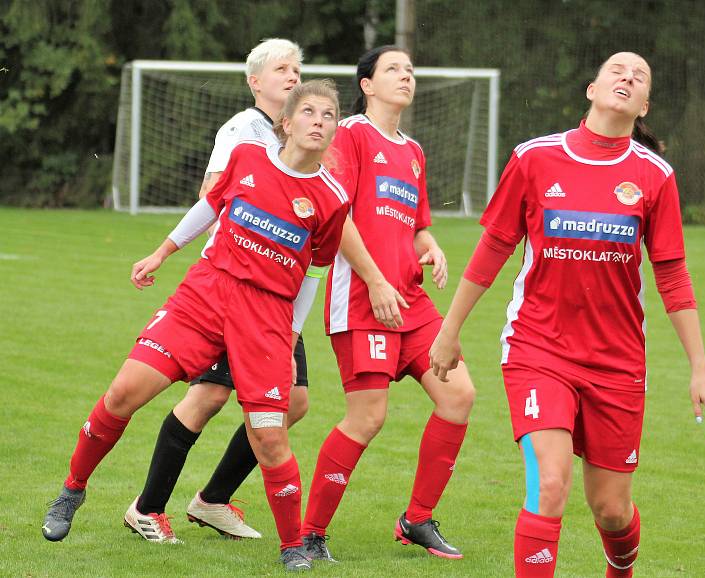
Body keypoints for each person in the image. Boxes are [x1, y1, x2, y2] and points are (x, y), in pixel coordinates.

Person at [428, 52, 705, 578]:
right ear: (591, 89)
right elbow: (493, 248)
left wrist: (700, 369)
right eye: (617, 70)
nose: (628, 77)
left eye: (639, 77)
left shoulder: (654, 176)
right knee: (551, 484)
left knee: (611, 510)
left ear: (644, 105)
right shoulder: (534, 158)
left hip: (617, 360)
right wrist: (449, 331)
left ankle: (620, 569)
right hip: (538, 348)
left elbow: (673, 277)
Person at [43, 79, 349, 573]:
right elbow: (210, 206)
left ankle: (292, 547)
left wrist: (291, 338)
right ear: (286, 123)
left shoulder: (331, 199)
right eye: (309, 111)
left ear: (334, 129)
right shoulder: (249, 157)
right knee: (125, 391)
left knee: (270, 433)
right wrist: (163, 251)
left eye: (329, 114)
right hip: (207, 293)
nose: (319, 120)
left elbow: (315, 271)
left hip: (267, 316)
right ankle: (72, 491)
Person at [123, 38, 310, 544]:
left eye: (298, 68)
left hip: (278, 288)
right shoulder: (242, 130)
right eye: (281, 69)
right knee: (208, 395)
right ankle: (147, 508)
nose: (293, 76)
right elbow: (213, 194)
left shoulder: (299, 134)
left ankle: (211, 501)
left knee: (291, 402)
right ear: (255, 81)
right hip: (234, 284)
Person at [298, 45, 476, 564]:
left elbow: (416, 224)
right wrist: (375, 281)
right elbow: (338, 215)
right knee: (367, 418)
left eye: (411, 70)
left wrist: (432, 248)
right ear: (367, 85)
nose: (406, 76)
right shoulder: (350, 134)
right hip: (360, 298)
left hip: (411, 300)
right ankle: (310, 535)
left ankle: (416, 519)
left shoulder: (414, 152)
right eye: (393, 69)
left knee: (459, 395)